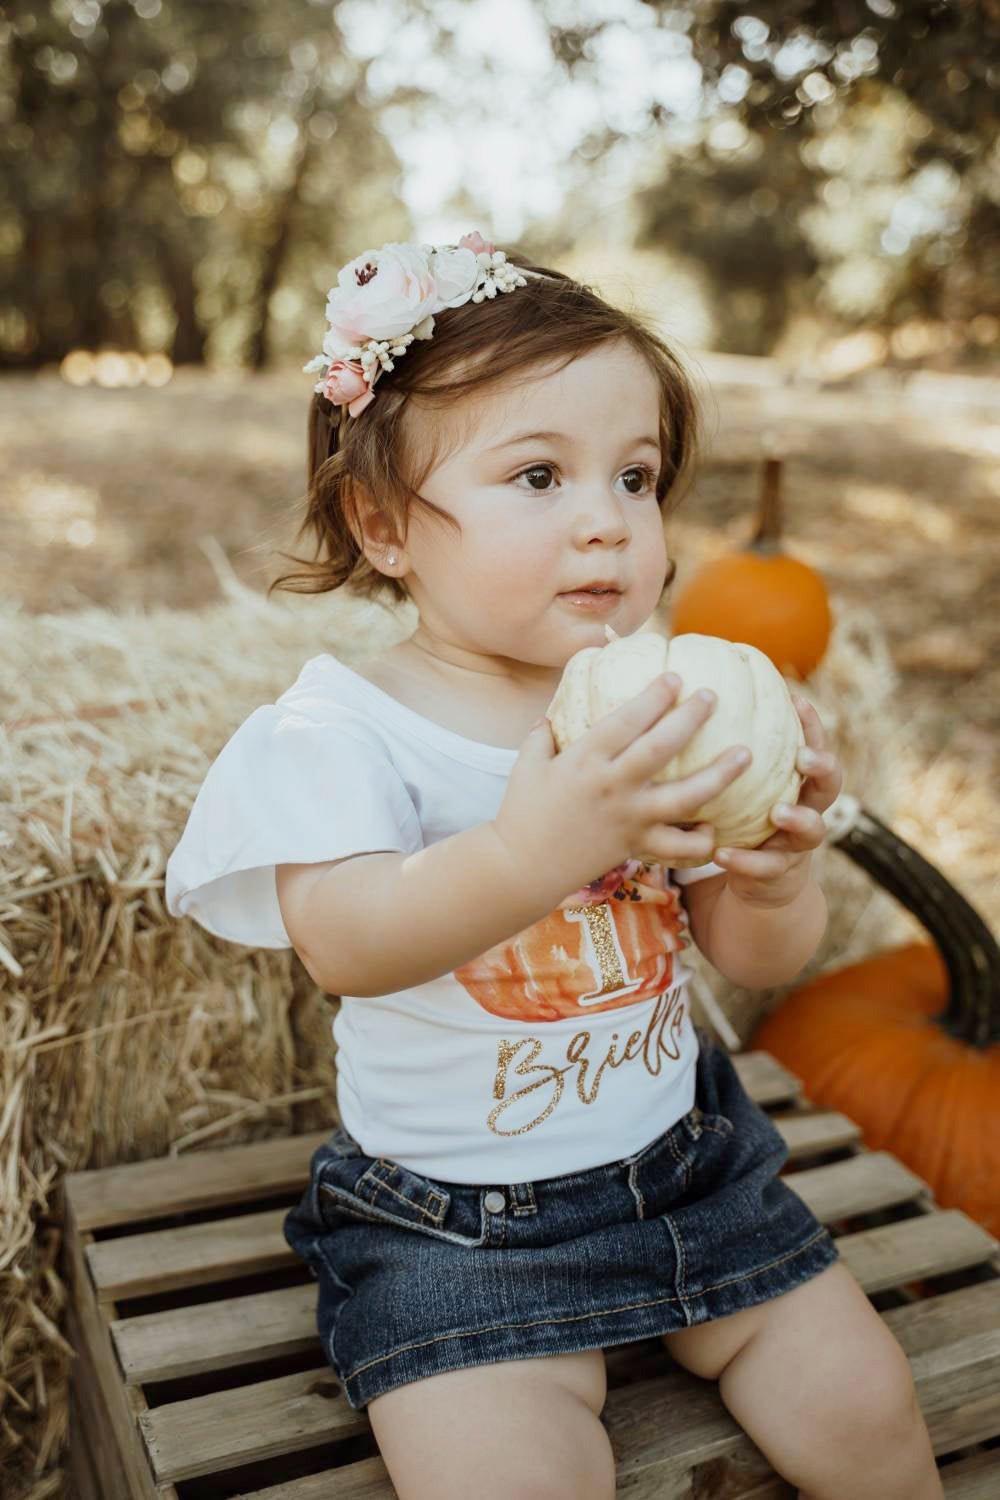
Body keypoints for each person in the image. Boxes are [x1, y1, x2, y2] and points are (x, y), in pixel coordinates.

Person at [164, 231, 942, 1500]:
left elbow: (750, 966)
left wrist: (771, 878)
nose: (608, 524)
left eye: (635, 478)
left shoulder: (663, 701)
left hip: (692, 1167)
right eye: (539, 476)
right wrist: (540, 845)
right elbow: (348, 941)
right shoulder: (337, 734)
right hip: (457, 1226)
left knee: (873, 1418)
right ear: (382, 522)